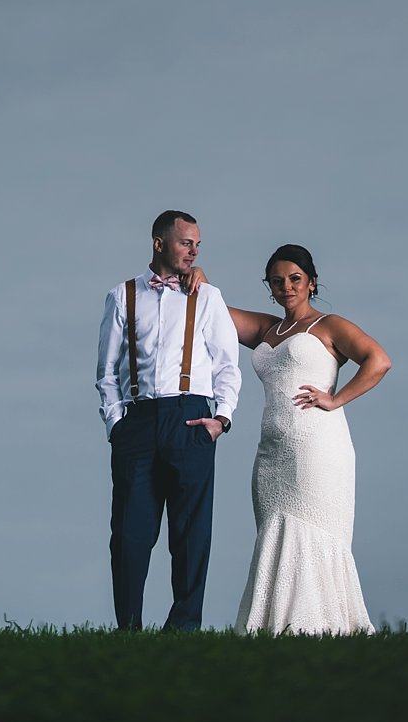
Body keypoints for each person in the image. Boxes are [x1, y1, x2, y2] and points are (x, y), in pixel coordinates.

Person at [190, 244, 390, 635]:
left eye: (295, 279)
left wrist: (335, 399)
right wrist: (200, 278)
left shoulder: (329, 325)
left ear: (311, 283)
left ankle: (320, 626)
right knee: (274, 534)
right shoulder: (269, 329)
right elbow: (213, 314)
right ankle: (273, 627)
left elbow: (378, 360)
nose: (286, 287)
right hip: (272, 452)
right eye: (277, 281)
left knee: (313, 533)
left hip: (318, 446)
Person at [96, 210, 241, 630]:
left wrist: (221, 419)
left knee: (192, 534)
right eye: (185, 243)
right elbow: (107, 372)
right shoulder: (121, 296)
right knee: (129, 534)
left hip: (192, 418)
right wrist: (116, 426)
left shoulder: (208, 297)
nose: (194, 251)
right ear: (159, 243)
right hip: (137, 424)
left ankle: (183, 631)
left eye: (197, 244)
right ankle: (129, 630)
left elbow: (227, 366)